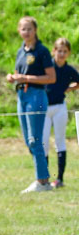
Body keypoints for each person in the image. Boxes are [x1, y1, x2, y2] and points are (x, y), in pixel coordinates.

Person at [6, 16, 56, 193]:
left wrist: (25, 78)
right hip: (22, 95)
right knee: (29, 140)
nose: (26, 32)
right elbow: (18, 72)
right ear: (19, 31)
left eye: (29, 29)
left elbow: (51, 77)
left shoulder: (42, 51)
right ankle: (42, 179)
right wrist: (13, 77)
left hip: (36, 95)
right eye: (23, 29)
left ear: (35, 30)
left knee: (35, 139)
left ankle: (42, 181)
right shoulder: (21, 51)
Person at [43, 37, 79, 188]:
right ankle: (44, 179)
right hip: (44, 108)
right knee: (44, 142)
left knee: (60, 141)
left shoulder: (69, 70)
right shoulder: (47, 67)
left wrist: (69, 89)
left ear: (68, 53)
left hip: (59, 107)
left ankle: (59, 179)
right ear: (54, 51)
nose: (62, 54)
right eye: (59, 51)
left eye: (65, 51)